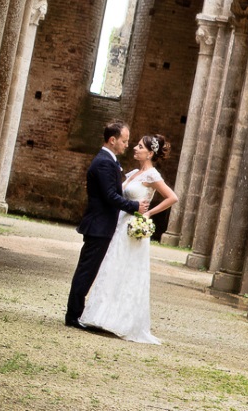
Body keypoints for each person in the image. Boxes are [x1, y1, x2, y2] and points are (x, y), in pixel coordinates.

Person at [79, 134, 179, 343]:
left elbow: (172, 197)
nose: (134, 148)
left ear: (150, 153)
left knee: (127, 270)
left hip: (133, 228)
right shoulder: (133, 173)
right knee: (111, 267)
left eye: (140, 146)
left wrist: (149, 214)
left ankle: (120, 320)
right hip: (119, 224)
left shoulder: (152, 175)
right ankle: (100, 315)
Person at [64, 121, 148, 329]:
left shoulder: (109, 161)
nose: (127, 145)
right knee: (86, 271)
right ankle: (73, 316)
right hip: (98, 225)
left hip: (102, 225)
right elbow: (110, 196)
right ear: (113, 140)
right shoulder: (104, 162)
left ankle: (76, 313)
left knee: (89, 270)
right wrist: (135, 206)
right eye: (124, 141)